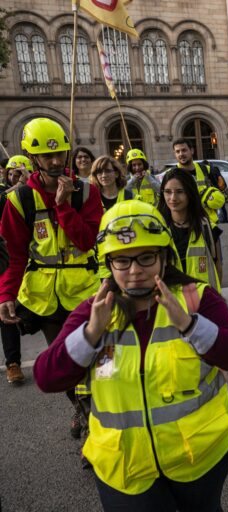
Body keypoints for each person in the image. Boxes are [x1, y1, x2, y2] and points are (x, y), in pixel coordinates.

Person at [33, 200, 228, 510]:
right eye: (122, 260)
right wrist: (91, 333)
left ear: (163, 258)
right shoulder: (92, 311)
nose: (135, 271)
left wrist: (189, 325)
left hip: (199, 458)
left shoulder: (196, 298)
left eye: (146, 257)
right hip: (125, 467)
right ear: (108, 263)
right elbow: (46, 377)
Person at [0, 118, 102, 438]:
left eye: (61, 154)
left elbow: (87, 241)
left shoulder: (85, 191)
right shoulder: (18, 199)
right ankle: (82, 410)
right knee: (67, 363)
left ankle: (95, 424)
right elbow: (15, 255)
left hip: (85, 291)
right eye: (48, 157)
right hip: (45, 298)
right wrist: (6, 295)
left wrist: (63, 207)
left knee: (96, 360)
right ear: (33, 159)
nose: (57, 162)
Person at [158, 169, 222, 291]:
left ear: (190, 193)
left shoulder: (208, 228)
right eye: (167, 192)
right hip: (171, 306)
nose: (173, 198)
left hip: (204, 304)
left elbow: (217, 268)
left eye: (179, 192)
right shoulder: (157, 230)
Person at [0, 155, 33, 384]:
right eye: (12, 173)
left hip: (34, 261)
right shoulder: (5, 194)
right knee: (7, 310)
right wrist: (16, 188)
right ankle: (13, 363)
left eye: (20, 173)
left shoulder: (32, 194)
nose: (15, 176)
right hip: (7, 257)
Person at [172, 139, 227, 227]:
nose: (181, 154)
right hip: (185, 224)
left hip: (209, 223)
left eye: (184, 150)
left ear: (192, 151)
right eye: (177, 151)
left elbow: (225, 193)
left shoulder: (207, 170)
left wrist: (214, 199)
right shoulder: (172, 174)